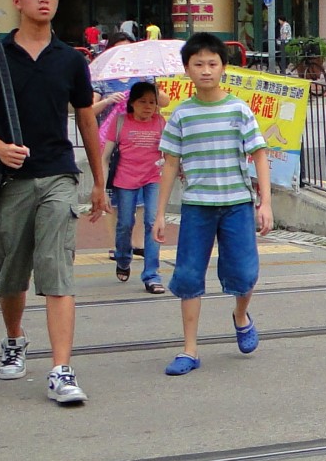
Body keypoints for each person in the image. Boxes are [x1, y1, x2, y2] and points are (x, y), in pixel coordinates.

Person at [0, 0, 110, 406]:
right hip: (9, 180)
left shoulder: (70, 59)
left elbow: (86, 119)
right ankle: (14, 338)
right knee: (12, 272)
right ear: (17, 1)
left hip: (59, 174)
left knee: (57, 267)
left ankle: (61, 369)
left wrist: (98, 181)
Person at [153, 34, 271, 375]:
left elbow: (259, 155)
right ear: (187, 69)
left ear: (223, 68)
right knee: (188, 275)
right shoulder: (181, 115)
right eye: (198, 64)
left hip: (237, 204)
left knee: (244, 274)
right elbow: (170, 165)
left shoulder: (238, 109)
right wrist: (159, 214)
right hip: (197, 207)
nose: (206, 70)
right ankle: (189, 350)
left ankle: (240, 315)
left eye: (212, 64)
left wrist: (265, 203)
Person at [100, 80, 165, 292]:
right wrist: (101, 188)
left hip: (153, 179)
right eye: (143, 101)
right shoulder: (120, 121)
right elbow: (104, 158)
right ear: (132, 103)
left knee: (152, 222)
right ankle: (122, 257)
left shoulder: (160, 122)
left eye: (152, 102)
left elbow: (169, 153)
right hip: (125, 180)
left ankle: (152, 275)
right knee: (125, 223)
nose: (148, 106)